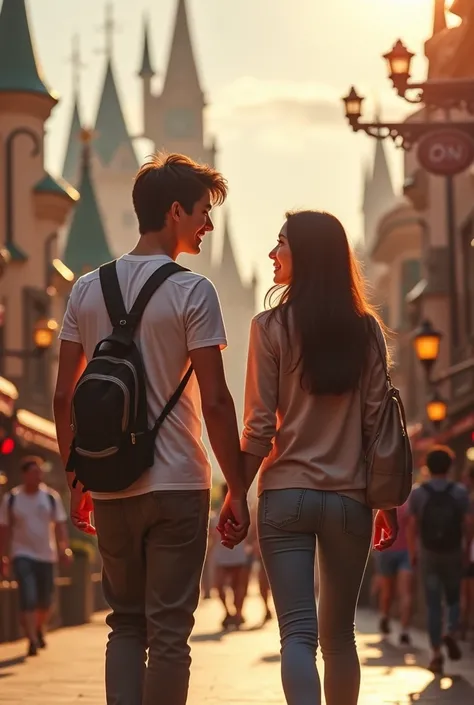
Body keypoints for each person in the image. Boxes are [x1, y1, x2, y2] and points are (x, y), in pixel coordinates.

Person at [53, 153, 249, 705]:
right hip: (179, 483)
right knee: (168, 633)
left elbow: (65, 395)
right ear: (174, 211)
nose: (208, 226)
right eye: (203, 214)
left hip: (110, 479)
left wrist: (77, 482)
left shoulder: (86, 290)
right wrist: (235, 487)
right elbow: (214, 398)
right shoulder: (194, 292)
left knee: (125, 624)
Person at [220, 210, 398, 705]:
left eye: (281, 244)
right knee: (340, 638)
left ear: (307, 255)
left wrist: (237, 492)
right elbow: (376, 425)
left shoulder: (270, 326)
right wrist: (387, 502)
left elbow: (258, 427)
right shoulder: (366, 331)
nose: (273, 254)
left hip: (286, 498)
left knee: (297, 635)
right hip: (350, 498)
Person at [407, 446, 473, 674]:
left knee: (433, 604)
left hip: (429, 554)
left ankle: (436, 654)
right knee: (454, 598)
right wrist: (465, 550)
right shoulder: (460, 492)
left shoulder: (418, 492)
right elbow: (468, 523)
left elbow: (412, 525)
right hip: (453, 552)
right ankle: (451, 630)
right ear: (449, 466)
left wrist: (414, 552)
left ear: (427, 467)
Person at [0, 456, 71, 657]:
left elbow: (59, 526)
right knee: (28, 596)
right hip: (22, 554)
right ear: (25, 474)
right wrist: (3, 556)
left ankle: (39, 628)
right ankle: (31, 638)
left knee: (45, 601)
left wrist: (63, 548)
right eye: (34, 472)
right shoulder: (12, 499)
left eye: (40, 472)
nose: (38, 475)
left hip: (46, 556)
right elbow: (4, 529)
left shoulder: (50, 497)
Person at [374, 498, 414, 645]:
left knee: (387, 592)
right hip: (406, 552)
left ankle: (384, 617)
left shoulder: (385, 499)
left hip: (386, 550)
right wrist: (414, 552)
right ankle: (404, 631)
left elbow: (377, 524)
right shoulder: (411, 502)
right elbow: (413, 528)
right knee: (406, 593)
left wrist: (376, 548)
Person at [213, 483, 251, 629]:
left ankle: (238, 614)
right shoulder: (218, 513)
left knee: (238, 586)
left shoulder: (241, 510)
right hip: (223, 554)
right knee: (220, 585)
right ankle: (229, 612)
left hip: (238, 553)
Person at [461, 464, 474, 641]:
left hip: (471, 553)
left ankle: (463, 629)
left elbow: (469, 526)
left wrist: (464, 551)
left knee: (467, 595)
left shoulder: (469, 499)